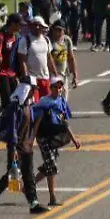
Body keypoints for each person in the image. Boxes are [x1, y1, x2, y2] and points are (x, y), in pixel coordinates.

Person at [0, 82, 48, 214]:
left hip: (26, 146)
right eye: (33, 90)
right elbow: (12, 130)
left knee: (28, 175)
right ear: (27, 90)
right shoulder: (15, 107)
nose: (34, 92)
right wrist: (14, 149)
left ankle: (33, 203)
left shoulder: (27, 104)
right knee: (13, 175)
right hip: (16, 147)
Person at [30, 76, 80, 207]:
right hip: (43, 137)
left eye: (60, 87)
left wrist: (74, 139)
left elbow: (64, 122)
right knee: (51, 166)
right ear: (50, 88)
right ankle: (52, 198)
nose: (58, 89)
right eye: (55, 87)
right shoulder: (44, 102)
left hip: (54, 136)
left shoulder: (62, 102)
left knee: (49, 165)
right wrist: (31, 139)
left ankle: (29, 187)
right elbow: (37, 121)